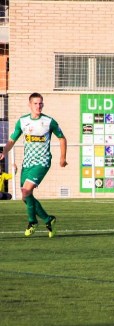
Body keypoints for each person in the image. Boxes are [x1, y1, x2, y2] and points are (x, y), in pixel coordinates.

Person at [0, 92, 68, 237]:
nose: (39, 106)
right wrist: (4, 151)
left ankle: (32, 222)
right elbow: (12, 140)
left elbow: (62, 138)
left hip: (42, 162)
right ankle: (48, 219)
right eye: (36, 103)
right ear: (30, 104)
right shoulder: (23, 121)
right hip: (27, 163)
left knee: (25, 191)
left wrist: (62, 158)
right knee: (26, 197)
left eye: (40, 103)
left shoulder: (49, 122)